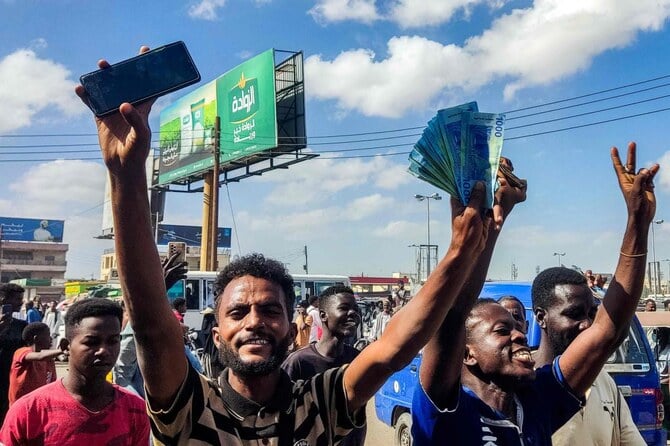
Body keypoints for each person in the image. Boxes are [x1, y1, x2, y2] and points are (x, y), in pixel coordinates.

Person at [75, 45, 492, 444]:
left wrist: (459, 252)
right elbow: (150, 322)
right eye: (238, 312)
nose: (254, 321)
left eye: (270, 310)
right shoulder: (188, 404)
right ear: (217, 335)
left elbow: (392, 348)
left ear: (293, 329)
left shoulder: (321, 402)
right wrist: (126, 174)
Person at [412, 143, 657, 445]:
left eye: (517, 327)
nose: (519, 336)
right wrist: (482, 228)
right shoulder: (446, 411)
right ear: (467, 353)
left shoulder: (535, 403)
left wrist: (638, 222)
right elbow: (452, 313)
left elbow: (608, 331)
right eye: (502, 330)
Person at [0, 298, 150, 444]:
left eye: (113, 341)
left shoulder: (135, 409)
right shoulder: (29, 411)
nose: (104, 351)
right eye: (91, 342)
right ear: (66, 347)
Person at [532, 267, 645, 445]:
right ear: (541, 317)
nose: (586, 325)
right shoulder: (523, 385)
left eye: (592, 314)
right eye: (574, 314)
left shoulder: (603, 381)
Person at [282, 285, 365, 445]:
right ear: (323, 315)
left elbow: (359, 415)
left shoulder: (356, 359)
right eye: (344, 308)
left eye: (355, 308)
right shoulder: (299, 362)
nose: (353, 313)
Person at [8, 322, 67, 405]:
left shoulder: (49, 360)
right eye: (47, 335)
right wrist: (61, 351)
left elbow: (51, 384)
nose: (51, 338)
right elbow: (40, 356)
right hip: (20, 406)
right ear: (36, 338)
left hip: (38, 404)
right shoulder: (21, 352)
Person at [0, 283, 27, 424]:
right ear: (3, 300)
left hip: (13, 376)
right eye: (17, 299)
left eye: (21, 299)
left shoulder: (22, 326)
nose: (21, 302)